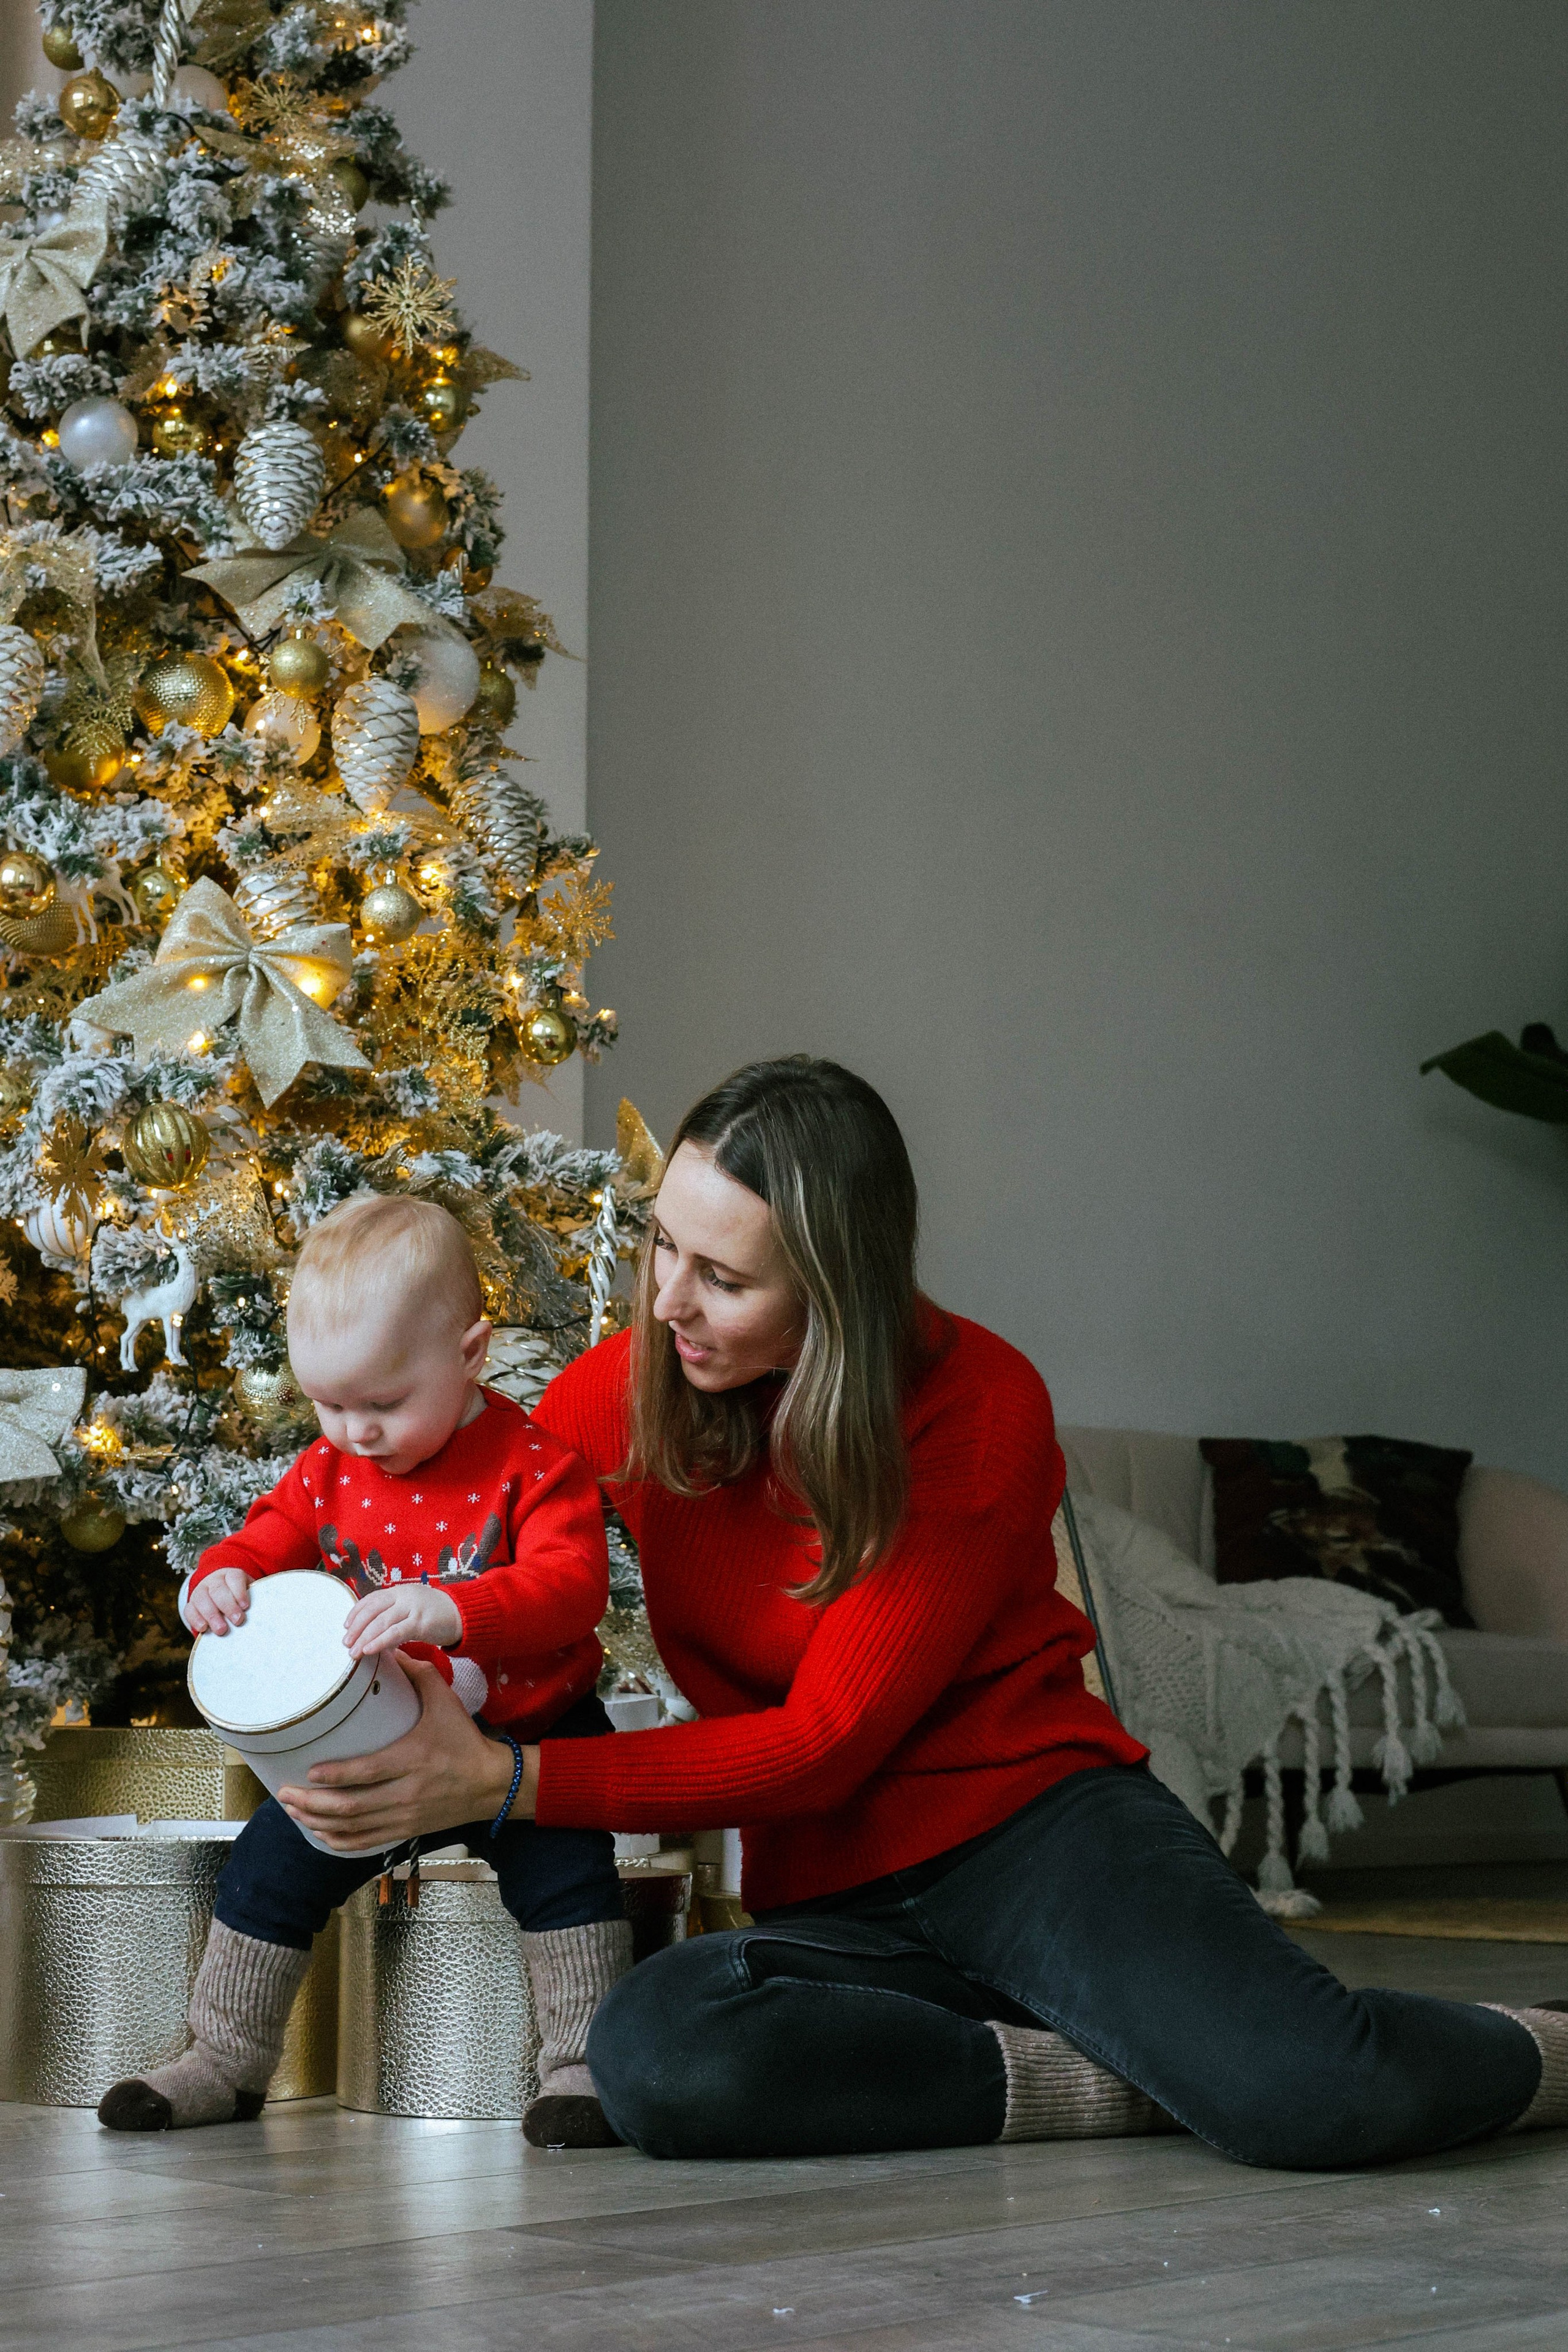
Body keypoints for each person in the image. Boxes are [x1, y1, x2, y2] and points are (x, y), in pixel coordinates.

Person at [274, 1060, 1568, 2163]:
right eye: (660, 1243)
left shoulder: (977, 1404)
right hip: (834, 1899)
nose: (667, 1301)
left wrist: (507, 1781)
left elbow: (824, 1740)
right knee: (658, 2053)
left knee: (1310, 2100)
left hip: (1034, 1838)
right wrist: (349, 1710)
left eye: (722, 1277)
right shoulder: (628, 1389)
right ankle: (1136, 2066)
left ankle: (1527, 2044)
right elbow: (457, 1530)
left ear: (836, 1288)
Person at [97, 1192, 629, 2149]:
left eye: (382, 1403)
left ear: (471, 1354)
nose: (354, 1431)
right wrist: (222, 1578)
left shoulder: (535, 1466)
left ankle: (579, 2063)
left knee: (570, 1881)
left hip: (527, 1731)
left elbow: (574, 1587)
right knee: (270, 1862)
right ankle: (222, 2059)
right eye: (327, 1403)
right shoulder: (330, 1466)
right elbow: (269, 1535)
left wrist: (459, 1607)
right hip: (376, 1739)